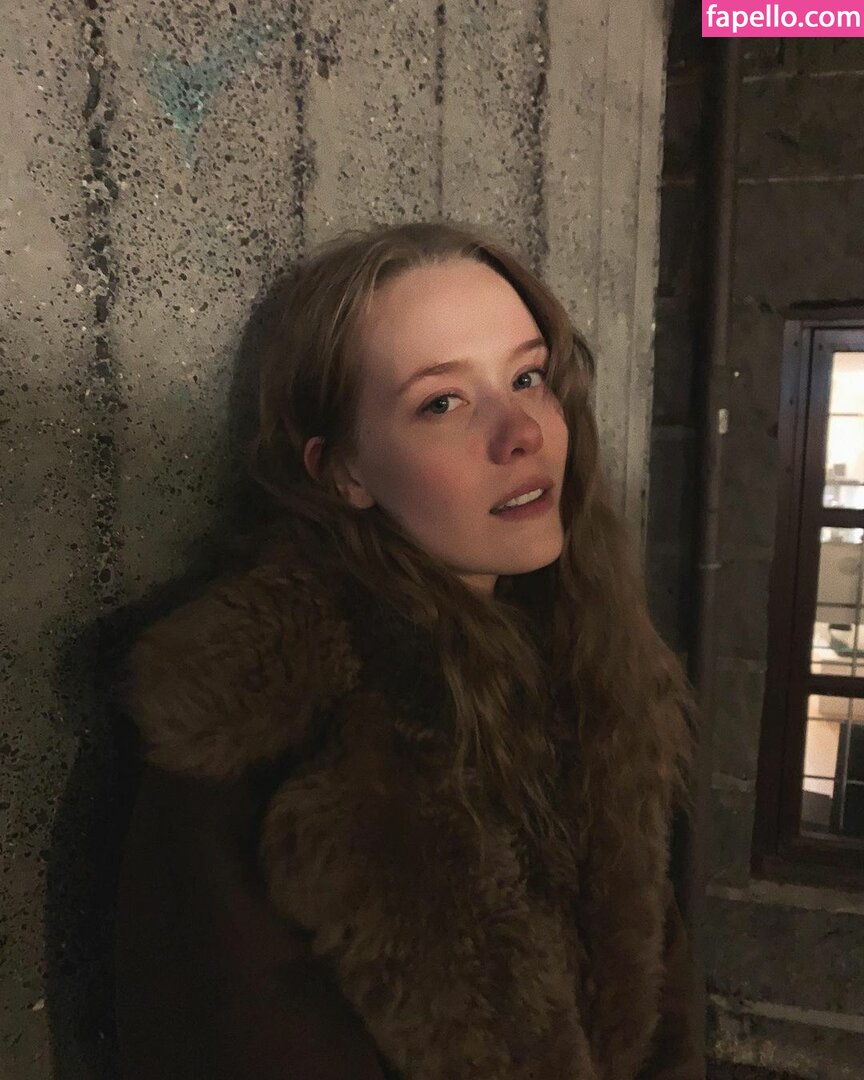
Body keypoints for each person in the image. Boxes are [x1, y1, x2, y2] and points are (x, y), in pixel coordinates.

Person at [114, 220, 704, 1080]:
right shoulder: (253, 729)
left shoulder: (593, 658)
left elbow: (658, 1002)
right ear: (342, 471)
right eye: (442, 403)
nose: (522, 432)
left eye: (528, 377)